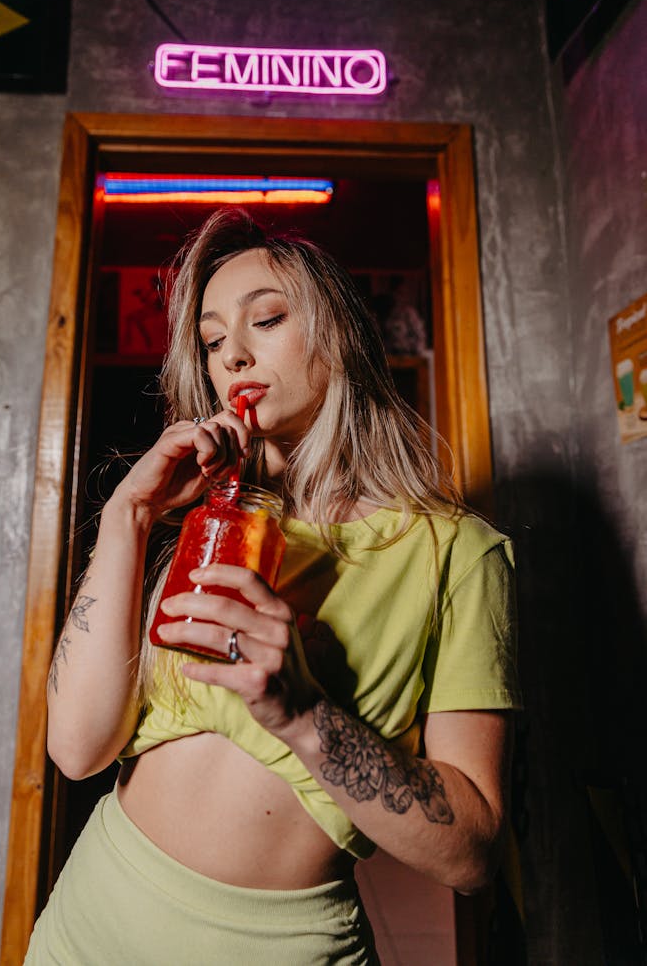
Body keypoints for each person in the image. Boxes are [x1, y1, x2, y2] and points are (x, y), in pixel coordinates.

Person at [26, 207, 521, 964]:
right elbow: (77, 748)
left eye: (267, 319)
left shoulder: (456, 553)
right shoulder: (206, 521)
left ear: (342, 336)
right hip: (91, 920)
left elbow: (472, 853)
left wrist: (303, 713)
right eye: (215, 340)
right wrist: (129, 512)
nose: (233, 357)